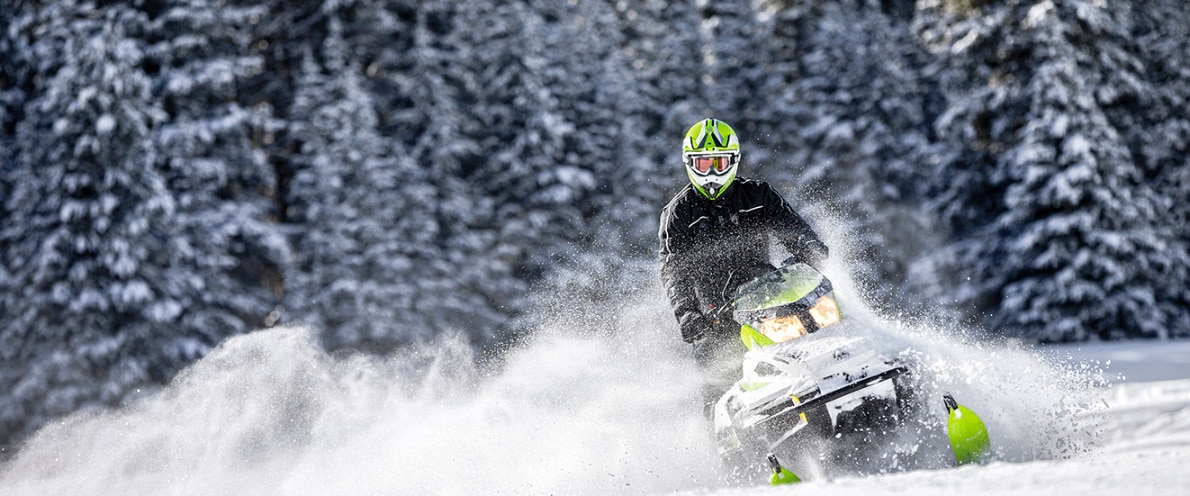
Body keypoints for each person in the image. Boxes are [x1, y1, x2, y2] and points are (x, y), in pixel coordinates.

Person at [658, 118, 828, 415]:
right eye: (703, 163)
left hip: (767, 295)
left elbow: (794, 230)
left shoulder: (759, 195)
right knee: (719, 377)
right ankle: (730, 452)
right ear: (690, 165)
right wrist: (686, 312)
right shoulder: (679, 213)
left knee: (819, 327)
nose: (711, 172)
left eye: (719, 162)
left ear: (733, 162)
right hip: (715, 314)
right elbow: (675, 270)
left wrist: (809, 252)